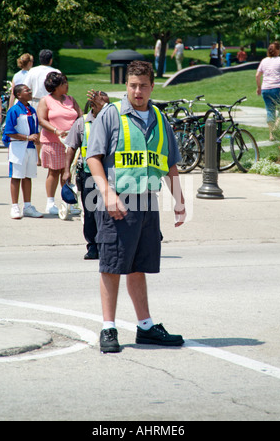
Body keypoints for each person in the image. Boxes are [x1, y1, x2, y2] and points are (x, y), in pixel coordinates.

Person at [87, 61, 186, 353]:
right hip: (117, 200)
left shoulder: (159, 116)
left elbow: (169, 163)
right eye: (132, 85)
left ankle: (145, 327)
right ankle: (108, 328)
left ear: (152, 86)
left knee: (138, 265)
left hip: (147, 202)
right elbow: (94, 156)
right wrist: (107, 194)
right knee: (112, 265)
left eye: (143, 85)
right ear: (126, 85)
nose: (137, 91)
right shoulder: (111, 114)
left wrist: (179, 200)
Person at [63, 90, 110, 260]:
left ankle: (109, 244)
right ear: (93, 104)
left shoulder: (114, 122)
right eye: (101, 102)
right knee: (90, 213)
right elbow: (71, 147)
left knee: (111, 211)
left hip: (111, 175)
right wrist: (66, 170)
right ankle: (93, 246)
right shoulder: (82, 123)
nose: (106, 106)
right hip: (88, 175)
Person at [37, 72, 82, 215]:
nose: (67, 85)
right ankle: (50, 203)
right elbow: (42, 120)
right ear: (56, 87)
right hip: (53, 142)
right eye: (64, 83)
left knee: (68, 173)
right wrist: (56, 130)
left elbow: (80, 116)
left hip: (71, 142)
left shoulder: (70, 99)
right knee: (54, 172)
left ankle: (69, 202)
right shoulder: (46, 100)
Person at [3, 84, 42, 219]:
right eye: (27, 90)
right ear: (19, 95)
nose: (30, 92)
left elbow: (35, 128)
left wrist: (36, 138)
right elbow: (9, 131)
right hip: (18, 147)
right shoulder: (14, 110)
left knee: (27, 176)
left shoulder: (32, 110)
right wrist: (27, 137)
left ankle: (28, 206)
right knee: (16, 176)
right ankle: (14, 206)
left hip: (30, 147)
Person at [24, 49, 61, 165]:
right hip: (51, 101)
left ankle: (38, 157)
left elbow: (26, 86)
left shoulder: (32, 71)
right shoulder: (56, 71)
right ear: (51, 60)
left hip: (35, 101)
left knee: (36, 130)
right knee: (50, 128)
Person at [256, 41, 280, 141]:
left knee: (270, 111)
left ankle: (271, 135)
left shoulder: (264, 61)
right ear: (278, 50)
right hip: (278, 88)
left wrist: (259, 88)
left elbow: (257, 75)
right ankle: (275, 129)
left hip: (266, 89)